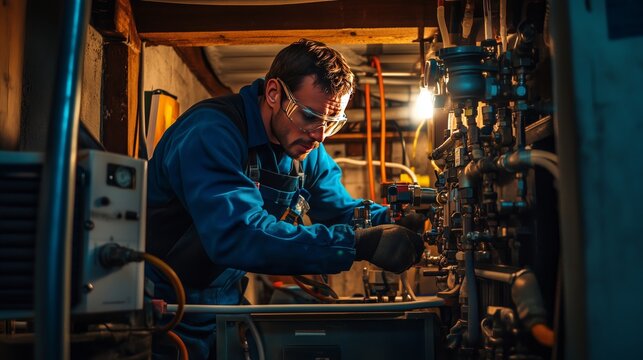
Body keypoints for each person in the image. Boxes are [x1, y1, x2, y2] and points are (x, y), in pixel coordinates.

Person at [145, 39, 425, 359]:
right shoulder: (212, 132)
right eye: (309, 116)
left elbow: (337, 210)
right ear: (275, 94)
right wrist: (358, 244)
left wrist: (387, 220)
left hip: (224, 305)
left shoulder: (306, 149)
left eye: (331, 123)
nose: (320, 136)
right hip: (164, 309)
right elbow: (240, 234)